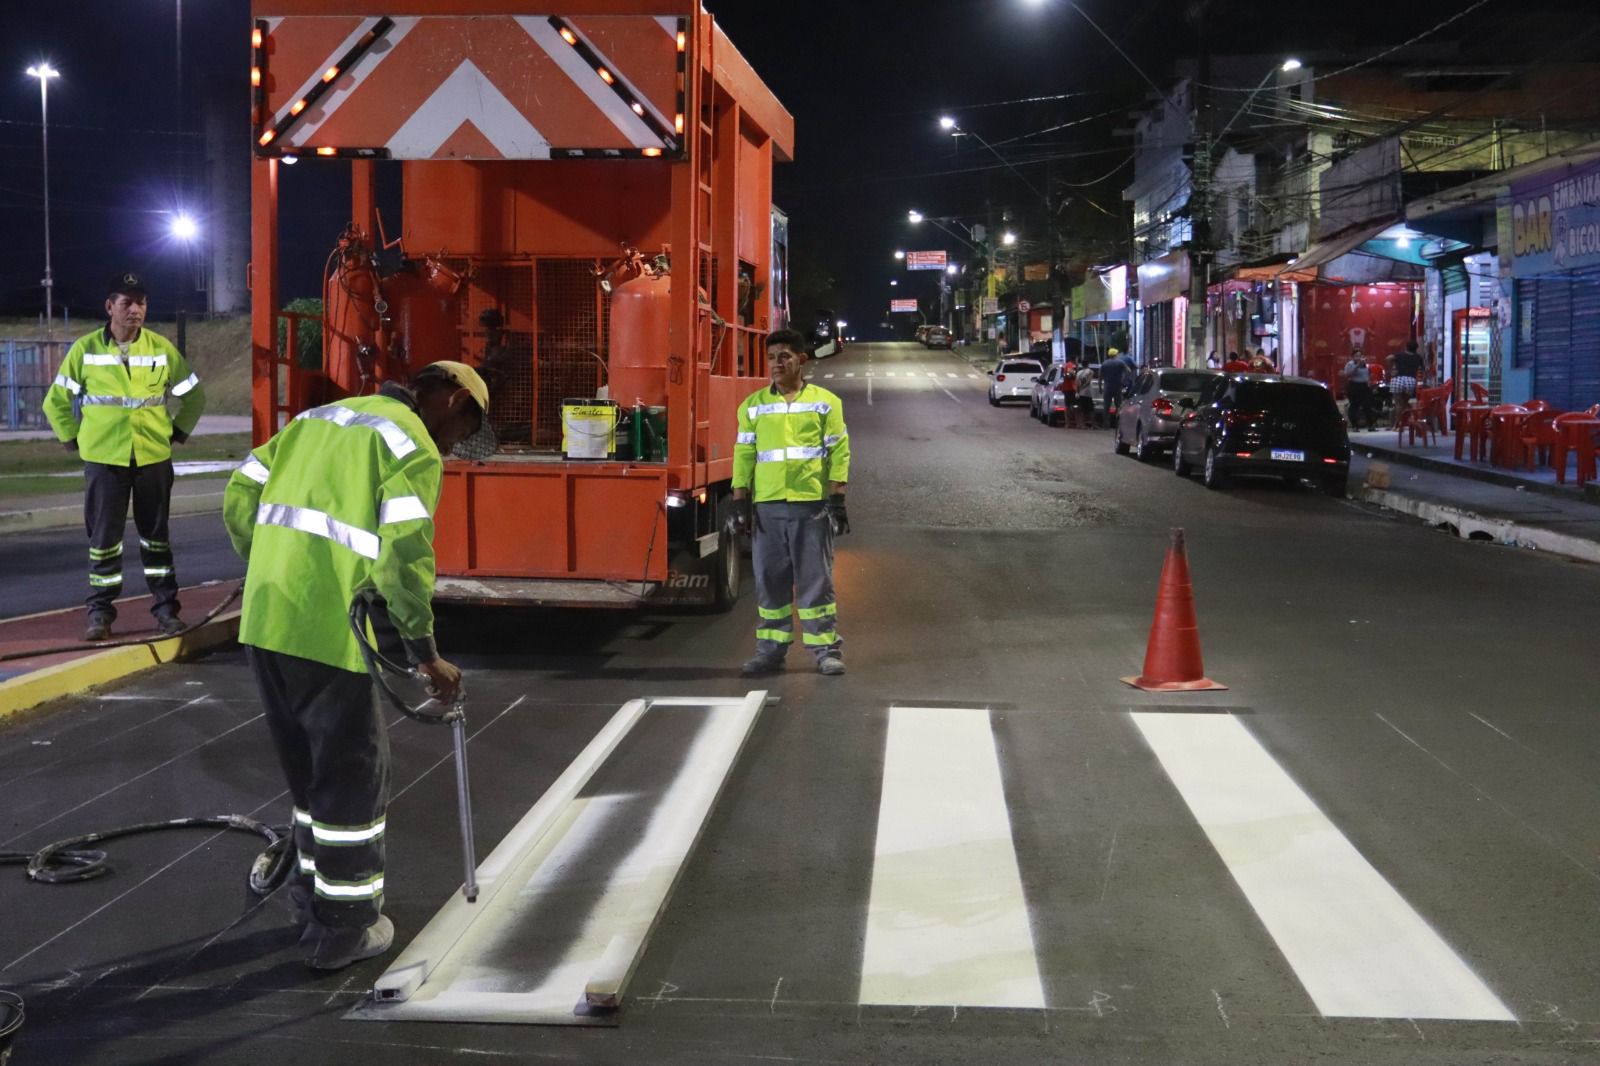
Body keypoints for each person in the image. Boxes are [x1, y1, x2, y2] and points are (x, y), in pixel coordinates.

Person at [223, 361, 489, 971]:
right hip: (325, 628)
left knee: (311, 776)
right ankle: (343, 929)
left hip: (266, 618)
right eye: (464, 426)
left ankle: (309, 904)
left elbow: (241, 492)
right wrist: (426, 653)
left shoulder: (315, 419)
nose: (455, 444)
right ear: (448, 399)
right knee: (352, 778)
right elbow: (404, 558)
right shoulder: (410, 445)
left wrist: (268, 563)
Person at [43, 272, 207, 641]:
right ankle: (100, 614)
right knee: (103, 540)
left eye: (141, 303)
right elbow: (54, 402)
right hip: (104, 461)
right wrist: (73, 440)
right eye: (127, 303)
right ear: (109, 307)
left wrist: (178, 433)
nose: (136, 310)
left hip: (152, 458)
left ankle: (167, 612)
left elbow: (194, 396)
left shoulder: (161, 349)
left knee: (157, 539)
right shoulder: (85, 350)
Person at [732, 329, 850, 677]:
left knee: (816, 581)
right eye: (771, 357)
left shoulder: (826, 402)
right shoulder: (752, 406)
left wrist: (838, 498)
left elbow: (839, 452)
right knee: (770, 580)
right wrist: (740, 499)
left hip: (810, 505)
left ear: (802, 359)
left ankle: (826, 651)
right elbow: (744, 454)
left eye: (784, 356)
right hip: (767, 507)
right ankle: (770, 652)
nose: (776, 363)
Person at [1387, 339, 1425, 427]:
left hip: (1398, 379)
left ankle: (1397, 425)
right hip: (1410, 380)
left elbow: (1388, 358)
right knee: (1405, 403)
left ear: (1406, 347)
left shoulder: (1400, 355)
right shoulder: (1418, 357)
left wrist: (1391, 369)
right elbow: (1423, 370)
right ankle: (1406, 422)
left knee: (1398, 404)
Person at [1342, 348, 1374, 430]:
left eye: (1360, 356)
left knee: (1367, 405)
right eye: (1356, 356)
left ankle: (1370, 425)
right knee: (1354, 406)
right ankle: (1354, 426)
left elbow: (1369, 374)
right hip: (1354, 386)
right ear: (1352, 357)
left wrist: (1370, 381)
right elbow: (1348, 375)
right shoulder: (1350, 364)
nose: (1358, 357)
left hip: (1364, 386)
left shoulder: (1365, 364)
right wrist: (1357, 366)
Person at [1100, 348, 1132, 426]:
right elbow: (1128, 370)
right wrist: (1124, 379)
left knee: (1106, 406)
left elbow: (1100, 376)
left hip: (1107, 387)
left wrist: (1100, 387)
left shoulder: (1104, 363)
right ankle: (1118, 423)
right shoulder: (1120, 362)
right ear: (1115, 355)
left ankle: (1105, 423)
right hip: (1118, 386)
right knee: (1118, 405)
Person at [1075, 361, 1096, 426]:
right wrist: (1084, 386)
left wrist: (1078, 391)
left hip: (1081, 393)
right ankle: (1092, 424)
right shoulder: (1090, 371)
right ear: (1088, 364)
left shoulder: (1078, 373)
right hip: (1088, 393)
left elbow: (1077, 383)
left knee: (1081, 409)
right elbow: (1089, 381)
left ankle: (1081, 424)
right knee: (1090, 409)